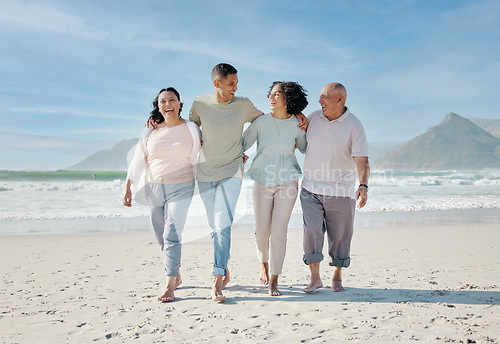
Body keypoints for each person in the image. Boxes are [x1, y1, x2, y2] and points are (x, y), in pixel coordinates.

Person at [123, 87, 201, 303]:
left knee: (172, 235)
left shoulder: (193, 128)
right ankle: (176, 273)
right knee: (161, 238)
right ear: (158, 107)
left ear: (179, 103)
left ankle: (169, 285)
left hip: (182, 186)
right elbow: (139, 158)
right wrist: (128, 185)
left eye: (172, 99)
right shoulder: (150, 130)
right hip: (153, 188)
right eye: (162, 101)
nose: (168, 104)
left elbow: (208, 148)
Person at [300, 83, 370, 293]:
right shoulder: (313, 118)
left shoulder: (354, 125)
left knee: (340, 237)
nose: (319, 101)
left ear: (340, 99)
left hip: (341, 191)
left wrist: (363, 185)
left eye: (323, 98)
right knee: (312, 230)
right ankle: (315, 278)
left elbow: (362, 160)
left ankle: (337, 276)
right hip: (310, 188)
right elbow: (294, 139)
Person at [242, 81, 308, 296]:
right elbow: (243, 143)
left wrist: (306, 125)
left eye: (277, 94)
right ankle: (263, 263)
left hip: (288, 181)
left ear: (288, 97)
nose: (271, 98)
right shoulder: (261, 122)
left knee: (279, 232)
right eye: (270, 94)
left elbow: (306, 148)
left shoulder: (296, 124)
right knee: (262, 232)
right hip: (262, 180)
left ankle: (274, 280)